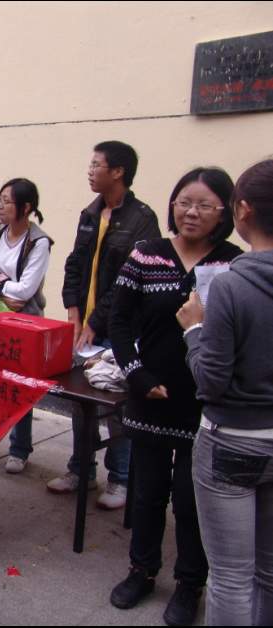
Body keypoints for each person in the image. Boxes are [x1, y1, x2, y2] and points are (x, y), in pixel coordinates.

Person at [109, 168, 242, 625]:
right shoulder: (146, 255)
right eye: (184, 202)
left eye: (205, 205)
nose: (192, 212)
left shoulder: (233, 264)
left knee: (190, 500)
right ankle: (142, 571)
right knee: (146, 494)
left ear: (224, 212)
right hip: (149, 395)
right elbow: (119, 321)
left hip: (203, 401)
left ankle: (190, 584)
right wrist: (136, 375)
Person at [177, 159, 273, 626]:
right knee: (269, 573)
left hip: (232, 441)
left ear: (243, 211)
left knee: (232, 578)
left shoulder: (233, 284)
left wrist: (194, 330)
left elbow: (211, 380)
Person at [50, 140, 160, 509]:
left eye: (96, 164)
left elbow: (129, 281)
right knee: (80, 405)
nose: (90, 170)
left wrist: (95, 322)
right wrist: (73, 312)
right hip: (85, 329)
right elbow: (74, 263)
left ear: (118, 171)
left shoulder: (142, 219)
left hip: (119, 332)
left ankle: (120, 478)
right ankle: (80, 470)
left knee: (116, 409)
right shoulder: (90, 213)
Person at [0, 178, 52, 474]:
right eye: (0, 200)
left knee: (21, 386)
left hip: (25, 322)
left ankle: (20, 448)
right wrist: (1, 291)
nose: (1, 206)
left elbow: (27, 289)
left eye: (7, 201)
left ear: (26, 207)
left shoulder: (38, 242)